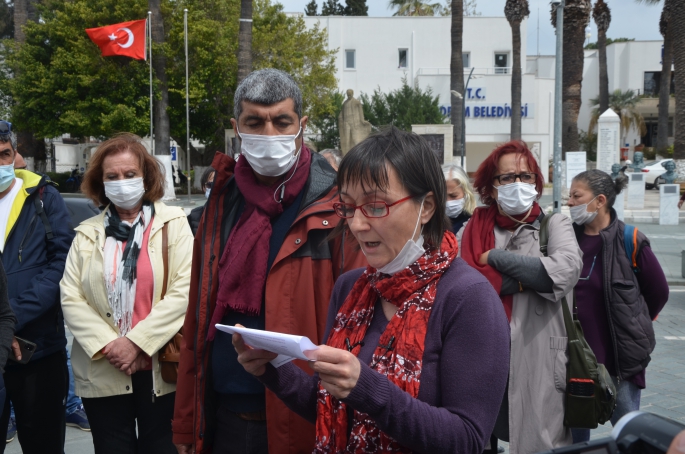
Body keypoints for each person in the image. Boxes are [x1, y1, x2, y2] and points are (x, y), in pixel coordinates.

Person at [233, 126, 510, 453]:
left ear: (428, 207)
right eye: (348, 207)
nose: (358, 224)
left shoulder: (468, 297)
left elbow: (467, 438)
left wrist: (369, 389)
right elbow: (330, 407)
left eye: (376, 206)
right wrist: (272, 369)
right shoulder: (350, 288)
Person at [172, 68, 366, 454]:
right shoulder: (220, 202)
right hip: (224, 417)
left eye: (282, 121)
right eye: (255, 122)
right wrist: (186, 422)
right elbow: (197, 317)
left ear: (302, 125)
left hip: (306, 419)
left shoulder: (337, 205)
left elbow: (358, 321)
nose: (269, 134)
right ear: (236, 127)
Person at [59, 133, 193, 453]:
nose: (122, 182)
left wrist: (135, 343)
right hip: (105, 366)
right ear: (100, 182)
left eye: (130, 174)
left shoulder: (173, 223)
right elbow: (70, 296)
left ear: (145, 177)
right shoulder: (88, 233)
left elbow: (184, 290)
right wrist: (111, 346)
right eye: (112, 176)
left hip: (161, 366)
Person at [458, 140, 583, 454]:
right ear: (492, 185)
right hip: (482, 355)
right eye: (507, 177)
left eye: (525, 176)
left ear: (537, 182)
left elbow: (564, 273)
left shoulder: (555, 224)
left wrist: (495, 259)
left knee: (538, 442)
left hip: (538, 356)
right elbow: (460, 284)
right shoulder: (472, 227)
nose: (517, 183)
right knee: (477, 438)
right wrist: (527, 280)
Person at [567, 169, 669, 443]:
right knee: (574, 441)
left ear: (600, 200)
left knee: (628, 436)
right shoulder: (566, 238)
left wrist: (638, 319)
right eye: (569, 196)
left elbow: (658, 291)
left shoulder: (630, 239)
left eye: (576, 196)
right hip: (575, 362)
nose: (569, 203)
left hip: (620, 360)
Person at [0, 120, 74, 454]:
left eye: (4, 155)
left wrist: (9, 320)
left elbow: (60, 266)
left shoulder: (43, 197)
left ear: (15, 154)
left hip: (37, 349)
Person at [442, 163, 476, 234]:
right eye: (442, 196)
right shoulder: (429, 224)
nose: (448, 201)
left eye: (453, 196)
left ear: (466, 193)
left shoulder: (475, 223)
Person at [187, 167, 216, 236]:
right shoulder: (193, 216)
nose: (215, 189)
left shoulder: (235, 217)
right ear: (203, 187)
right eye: (210, 185)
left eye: (219, 184)